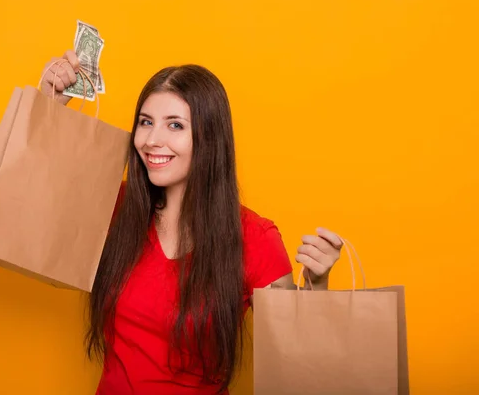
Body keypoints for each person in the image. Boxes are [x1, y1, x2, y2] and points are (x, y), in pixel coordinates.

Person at [40, 51, 344, 395]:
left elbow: (297, 356)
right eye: (145, 121)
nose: (152, 139)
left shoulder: (255, 239)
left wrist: (318, 286)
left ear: (210, 138)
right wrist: (49, 108)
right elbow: (38, 218)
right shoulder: (117, 205)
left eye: (175, 125)